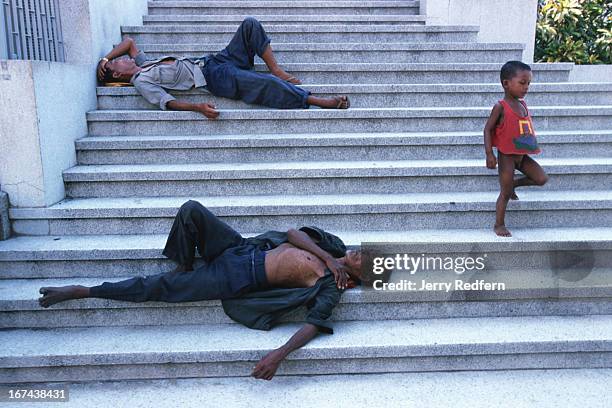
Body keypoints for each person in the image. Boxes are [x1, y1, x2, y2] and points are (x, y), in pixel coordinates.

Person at [38, 200, 363, 381]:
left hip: (234, 278)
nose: (363, 253)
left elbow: (314, 324)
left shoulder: (330, 287)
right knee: (191, 209)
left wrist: (278, 355)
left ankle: (84, 291)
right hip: (239, 248)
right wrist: (329, 258)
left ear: (358, 278)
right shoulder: (332, 245)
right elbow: (294, 232)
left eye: (367, 261)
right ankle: (183, 266)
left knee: (158, 287)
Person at [96, 17, 350, 118]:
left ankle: (276, 68)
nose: (124, 58)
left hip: (215, 60)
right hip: (214, 78)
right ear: (119, 74)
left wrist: (105, 60)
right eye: (118, 62)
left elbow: (129, 42)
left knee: (249, 25)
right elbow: (167, 102)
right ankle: (316, 101)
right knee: (266, 85)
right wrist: (198, 107)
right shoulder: (142, 81)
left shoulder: (143, 65)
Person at [483, 61, 549, 237]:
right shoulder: (500, 107)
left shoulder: (523, 105)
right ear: (506, 83)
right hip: (506, 156)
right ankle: (499, 224)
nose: (526, 87)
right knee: (504, 194)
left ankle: (515, 184)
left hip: (521, 155)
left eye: (528, 83)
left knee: (541, 178)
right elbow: (488, 129)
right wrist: (490, 154)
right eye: (522, 83)